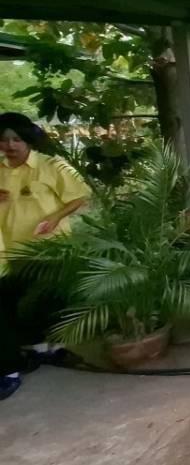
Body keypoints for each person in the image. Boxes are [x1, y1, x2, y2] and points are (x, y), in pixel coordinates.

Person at [0, 112, 91, 400]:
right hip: (10, 250)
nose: (10, 145)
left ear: (28, 138)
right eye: (3, 140)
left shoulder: (52, 166)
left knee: (52, 299)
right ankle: (34, 350)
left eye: (16, 139)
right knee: (18, 305)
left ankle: (56, 348)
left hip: (49, 247)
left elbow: (79, 196)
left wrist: (54, 217)